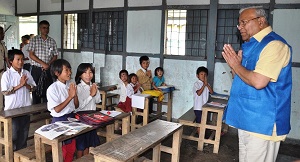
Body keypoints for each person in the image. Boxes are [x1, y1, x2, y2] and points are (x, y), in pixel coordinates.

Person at [222, 6, 292, 162]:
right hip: (246, 117)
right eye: (239, 23)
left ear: (260, 21)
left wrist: (236, 65)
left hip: (263, 122)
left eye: (244, 22)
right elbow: (241, 79)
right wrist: (236, 67)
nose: (240, 27)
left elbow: (259, 82)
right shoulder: (251, 45)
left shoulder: (275, 45)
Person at [1, 49, 36, 151]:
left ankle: (21, 154)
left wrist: (26, 85)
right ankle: (12, 155)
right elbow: (5, 92)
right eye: (18, 59)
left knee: (24, 134)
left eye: (22, 59)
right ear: (11, 61)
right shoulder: (6, 75)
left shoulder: (26, 73)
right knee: (14, 136)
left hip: (25, 108)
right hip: (12, 111)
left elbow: (34, 87)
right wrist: (20, 85)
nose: (21, 62)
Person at [47, 59, 79, 162]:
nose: (69, 72)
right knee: (62, 151)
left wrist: (75, 96)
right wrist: (70, 97)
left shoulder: (70, 85)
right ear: (57, 73)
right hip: (59, 120)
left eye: (70, 69)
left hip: (71, 119)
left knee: (71, 149)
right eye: (66, 70)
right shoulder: (53, 88)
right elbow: (56, 110)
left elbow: (76, 105)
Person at [74, 63, 101, 158]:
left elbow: (98, 101)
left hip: (92, 118)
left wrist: (96, 91)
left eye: (90, 72)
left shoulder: (93, 85)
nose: (88, 75)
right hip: (81, 119)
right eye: (85, 72)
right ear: (80, 74)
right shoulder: (78, 88)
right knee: (81, 146)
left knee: (88, 144)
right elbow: (78, 107)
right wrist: (91, 95)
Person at [28, 20, 58, 104]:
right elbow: (31, 55)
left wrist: (48, 64)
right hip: (36, 69)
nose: (46, 30)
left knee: (48, 89)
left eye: (47, 28)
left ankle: (46, 109)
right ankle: (35, 112)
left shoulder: (52, 41)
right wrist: (42, 63)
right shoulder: (34, 40)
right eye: (44, 28)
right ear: (40, 29)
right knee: (35, 90)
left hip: (48, 69)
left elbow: (55, 55)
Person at [193, 66, 213, 133]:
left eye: (205, 75)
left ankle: (201, 133)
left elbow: (211, 92)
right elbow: (199, 93)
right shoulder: (196, 84)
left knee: (204, 120)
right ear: (197, 75)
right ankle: (200, 138)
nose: (203, 76)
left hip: (205, 107)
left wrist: (206, 84)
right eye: (201, 74)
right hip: (198, 107)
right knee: (200, 122)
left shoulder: (207, 84)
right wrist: (204, 85)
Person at [0, 26, 10, 111]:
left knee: (3, 93)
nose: (3, 34)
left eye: (3, 32)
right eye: (1, 33)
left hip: (2, 72)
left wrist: (11, 70)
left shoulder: (2, 44)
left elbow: (6, 59)